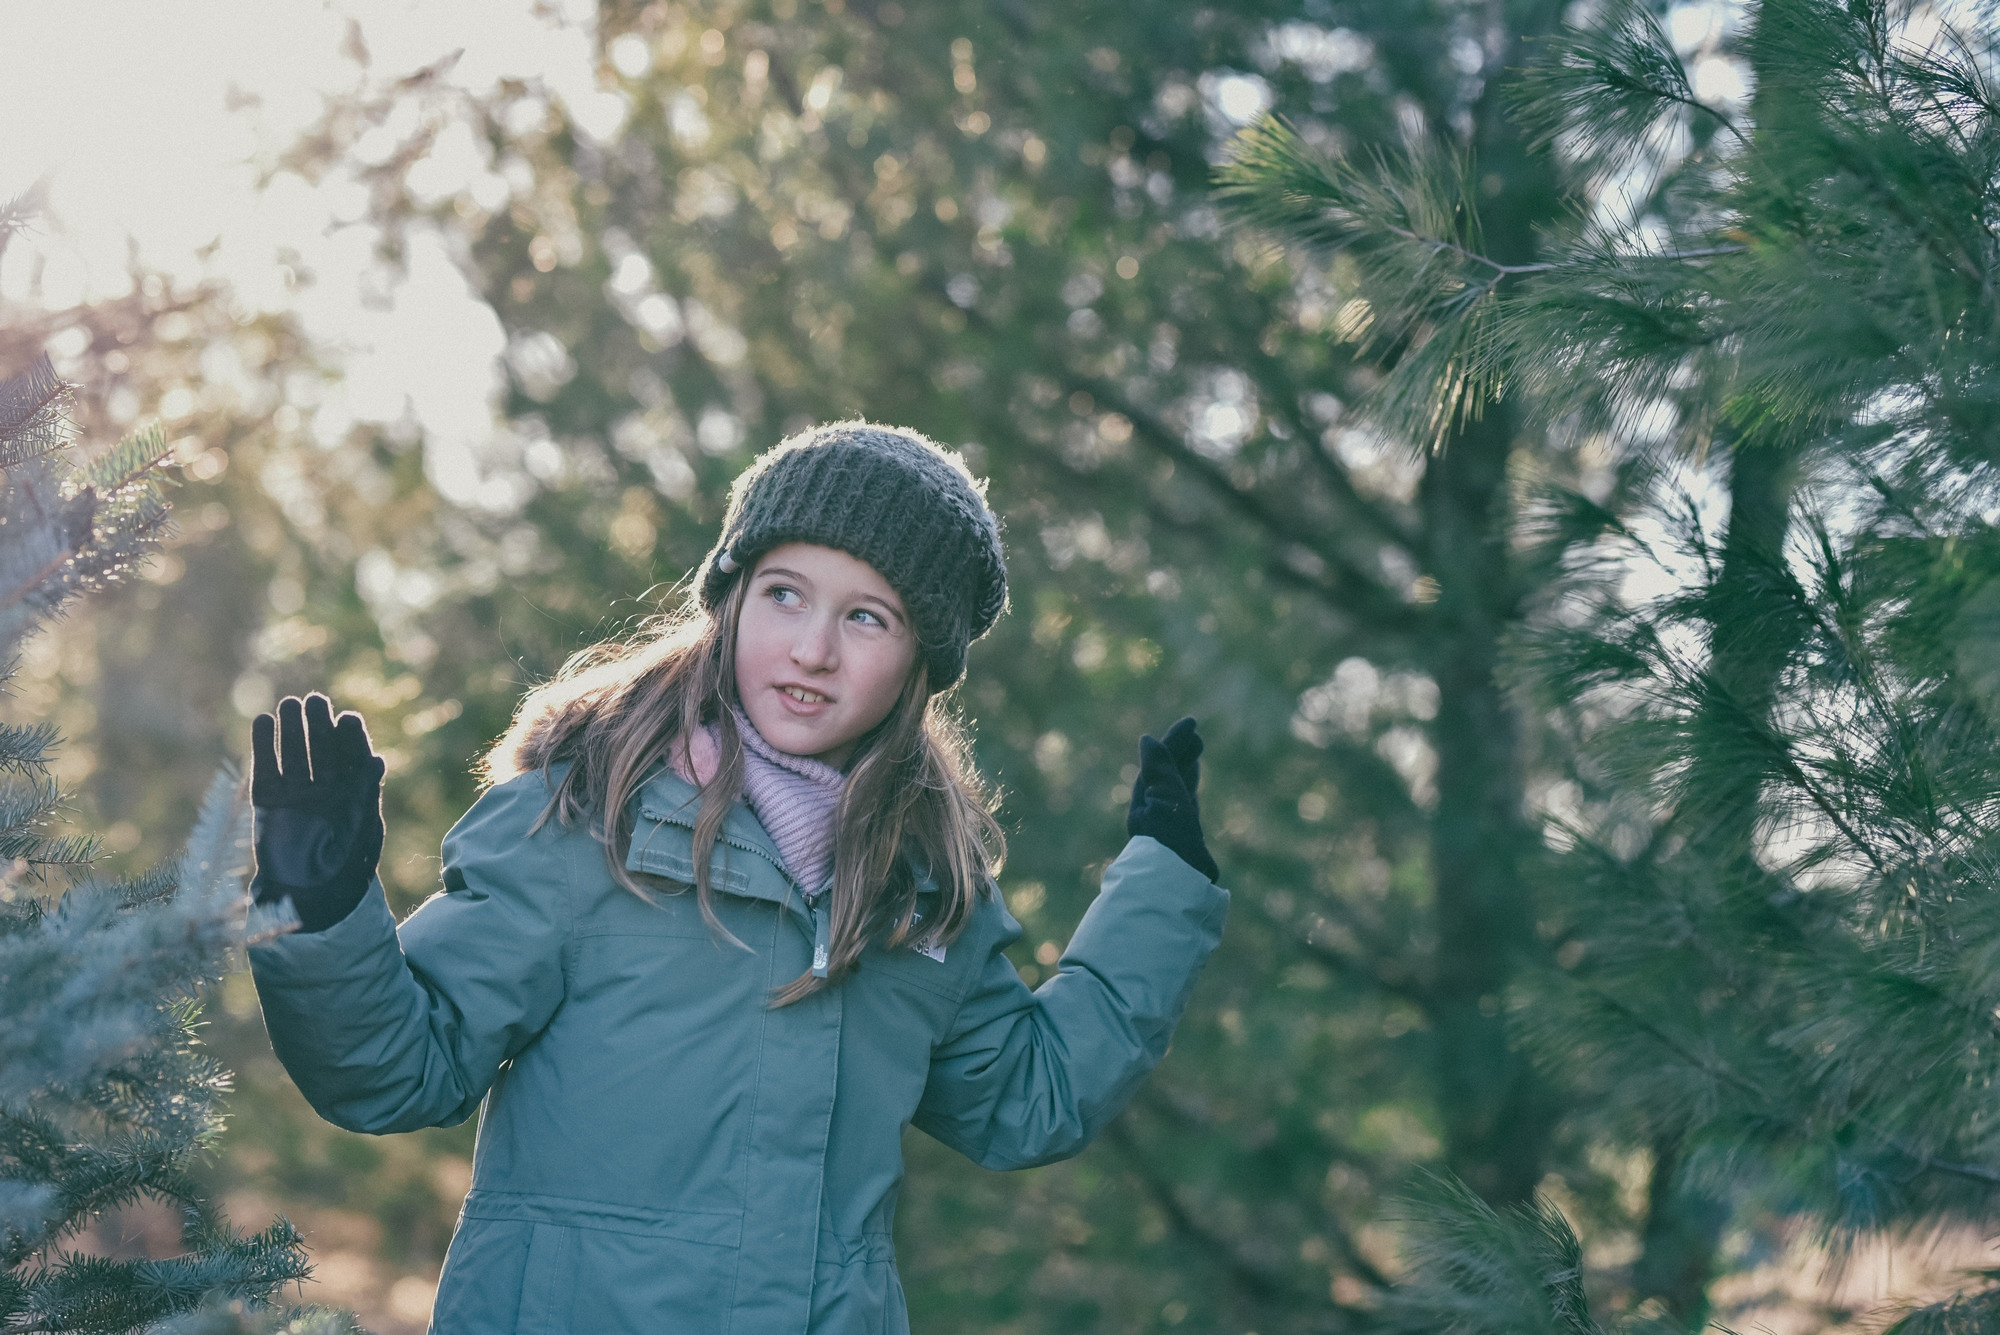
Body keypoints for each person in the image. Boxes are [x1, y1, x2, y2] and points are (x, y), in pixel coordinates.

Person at [246, 421, 1230, 1334]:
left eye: (868, 618)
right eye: (785, 594)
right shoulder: (581, 822)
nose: (812, 648)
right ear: (730, 598)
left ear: (921, 663)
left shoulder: (920, 891)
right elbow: (393, 1071)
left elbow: (1028, 1100)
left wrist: (1161, 890)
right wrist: (324, 909)